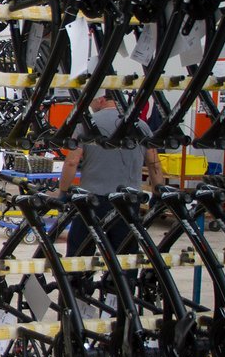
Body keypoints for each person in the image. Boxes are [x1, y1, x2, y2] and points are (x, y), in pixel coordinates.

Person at [57, 90, 165, 255]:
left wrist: (63, 192)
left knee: (80, 253)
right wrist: (158, 193)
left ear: (101, 99)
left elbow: (72, 162)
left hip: (90, 201)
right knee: (125, 253)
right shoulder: (141, 126)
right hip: (128, 202)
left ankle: (77, 280)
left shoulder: (87, 124)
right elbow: (154, 164)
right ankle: (125, 281)